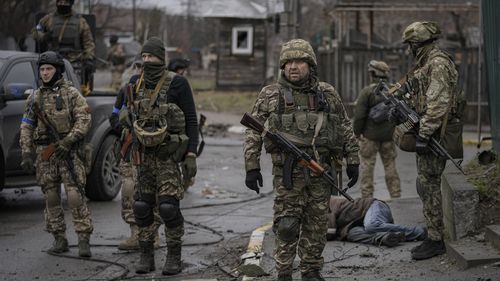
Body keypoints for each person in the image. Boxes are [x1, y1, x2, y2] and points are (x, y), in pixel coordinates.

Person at [243, 39, 360, 281]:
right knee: (286, 225)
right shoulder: (271, 94)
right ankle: (284, 271)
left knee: (317, 225)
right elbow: (254, 130)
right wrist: (252, 166)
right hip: (288, 173)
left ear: (310, 65)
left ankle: (311, 270)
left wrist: (353, 158)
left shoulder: (326, 93)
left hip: (321, 170)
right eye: (288, 62)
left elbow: (344, 125)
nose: (293, 67)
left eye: (299, 62)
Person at [389, 21, 462, 260]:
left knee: (429, 185)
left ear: (417, 44)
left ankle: (436, 239)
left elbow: (438, 105)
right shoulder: (428, 64)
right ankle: (433, 233)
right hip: (431, 131)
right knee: (425, 184)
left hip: (436, 134)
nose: (409, 49)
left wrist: (423, 134)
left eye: (410, 44)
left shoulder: (438, 64)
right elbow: (421, 99)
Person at [130, 37, 198, 275]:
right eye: (144, 57)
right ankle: (146, 254)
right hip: (142, 157)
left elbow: (191, 120)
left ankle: (173, 256)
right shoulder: (134, 83)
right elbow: (122, 112)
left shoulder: (178, 83)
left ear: (162, 58)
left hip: (168, 156)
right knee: (141, 206)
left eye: (152, 57)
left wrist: (191, 153)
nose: (147, 61)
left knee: (168, 207)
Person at [19, 51, 93, 257]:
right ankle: (59, 238)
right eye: (42, 69)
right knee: (51, 196)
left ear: (57, 70)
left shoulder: (71, 94)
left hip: (68, 152)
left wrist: (68, 140)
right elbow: (26, 125)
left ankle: (83, 238)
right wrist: (26, 152)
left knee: (74, 195)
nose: (45, 73)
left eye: (49, 69)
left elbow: (84, 120)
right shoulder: (34, 97)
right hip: (46, 153)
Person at [109, 62, 161, 251]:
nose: (142, 71)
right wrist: (123, 129)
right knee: (129, 189)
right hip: (130, 147)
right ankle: (135, 234)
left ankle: (153, 234)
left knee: (150, 190)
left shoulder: (160, 90)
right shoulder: (127, 90)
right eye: (140, 67)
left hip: (151, 149)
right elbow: (114, 116)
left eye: (146, 67)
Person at [353, 60, 401, 199]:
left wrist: (357, 133)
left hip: (369, 137)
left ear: (373, 73)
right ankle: (396, 195)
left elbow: (359, 116)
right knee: (390, 166)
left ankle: (367, 197)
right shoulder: (394, 91)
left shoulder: (367, 92)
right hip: (389, 137)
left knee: (367, 167)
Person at [32, 0, 95, 95]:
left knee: (74, 92)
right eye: (60, 2)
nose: (62, 4)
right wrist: (43, 36)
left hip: (74, 61)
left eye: (65, 2)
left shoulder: (80, 21)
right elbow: (35, 32)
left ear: (70, 3)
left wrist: (89, 59)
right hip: (53, 60)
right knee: (49, 91)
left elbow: (88, 43)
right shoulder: (48, 19)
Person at [327, 197, 427, 246]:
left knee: (371, 225)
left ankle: (419, 232)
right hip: (356, 224)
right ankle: (385, 237)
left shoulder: (326, 202)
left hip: (373, 207)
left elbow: (330, 230)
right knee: (352, 234)